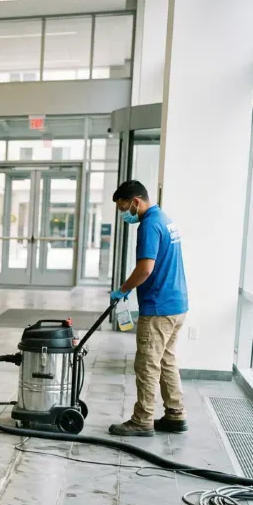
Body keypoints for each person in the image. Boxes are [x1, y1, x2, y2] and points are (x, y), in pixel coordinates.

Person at [108, 179, 189, 437]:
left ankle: (142, 420)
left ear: (135, 202)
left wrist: (124, 288)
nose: (124, 214)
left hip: (158, 307)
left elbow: (145, 269)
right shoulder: (166, 219)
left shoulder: (150, 225)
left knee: (147, 365)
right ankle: (176, 415)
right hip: (177, 305)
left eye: (124, 208)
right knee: (166, 361)